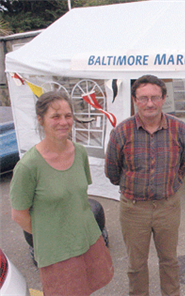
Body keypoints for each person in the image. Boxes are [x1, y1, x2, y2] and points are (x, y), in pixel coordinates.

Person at [10, 91, 114, 296]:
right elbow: (19, 215)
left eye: (68, 116)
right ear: (41, 120)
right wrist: (53, 234)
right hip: (57, 252)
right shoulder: (28, 166)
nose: (63, 122)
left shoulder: (79, 152)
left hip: (87, 239)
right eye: (55, 117)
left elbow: (79, 198)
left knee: (87, 289)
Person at [105, 75, 185, 296]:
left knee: (169, 260)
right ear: (135, 100)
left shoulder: (179, 129)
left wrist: (170, 187)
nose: (150, 103)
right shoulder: (121, 132)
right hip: (133, 209)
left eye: (155, 97)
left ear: (164, 98)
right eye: (143, 98)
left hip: (168, 206)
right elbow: (112, 171)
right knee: (136, 265)